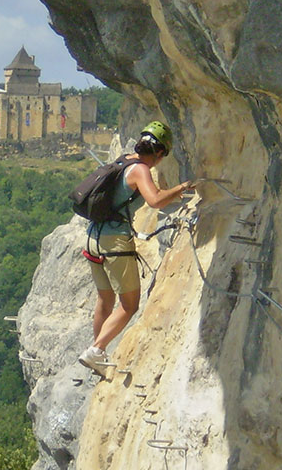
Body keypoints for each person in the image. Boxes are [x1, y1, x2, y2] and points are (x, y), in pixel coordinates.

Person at [78, 121, 194, 376]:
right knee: (129, 305)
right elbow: (155, 200)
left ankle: (97, 355)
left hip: (93, 237)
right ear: (159, 152)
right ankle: (96, 350)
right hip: (114, 242)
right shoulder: (141, 169)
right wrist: (181, 188)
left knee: (105, 299)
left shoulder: (124, 160)